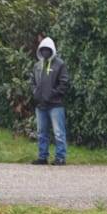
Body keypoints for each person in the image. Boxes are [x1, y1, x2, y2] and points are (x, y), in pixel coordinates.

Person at [30, 36, 69, 166]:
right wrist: (35, 93)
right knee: (41, 133)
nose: (45, 51)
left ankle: (60, 158)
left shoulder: (60, 64)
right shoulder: (37, 65)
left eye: (47, 49)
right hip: (40, 105)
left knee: (58, 133)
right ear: (40, 50)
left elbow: (64, 83)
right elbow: (32, 82)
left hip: (56, 105)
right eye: (43, 49)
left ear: (52, 50)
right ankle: (42, 157)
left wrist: (52, 94)